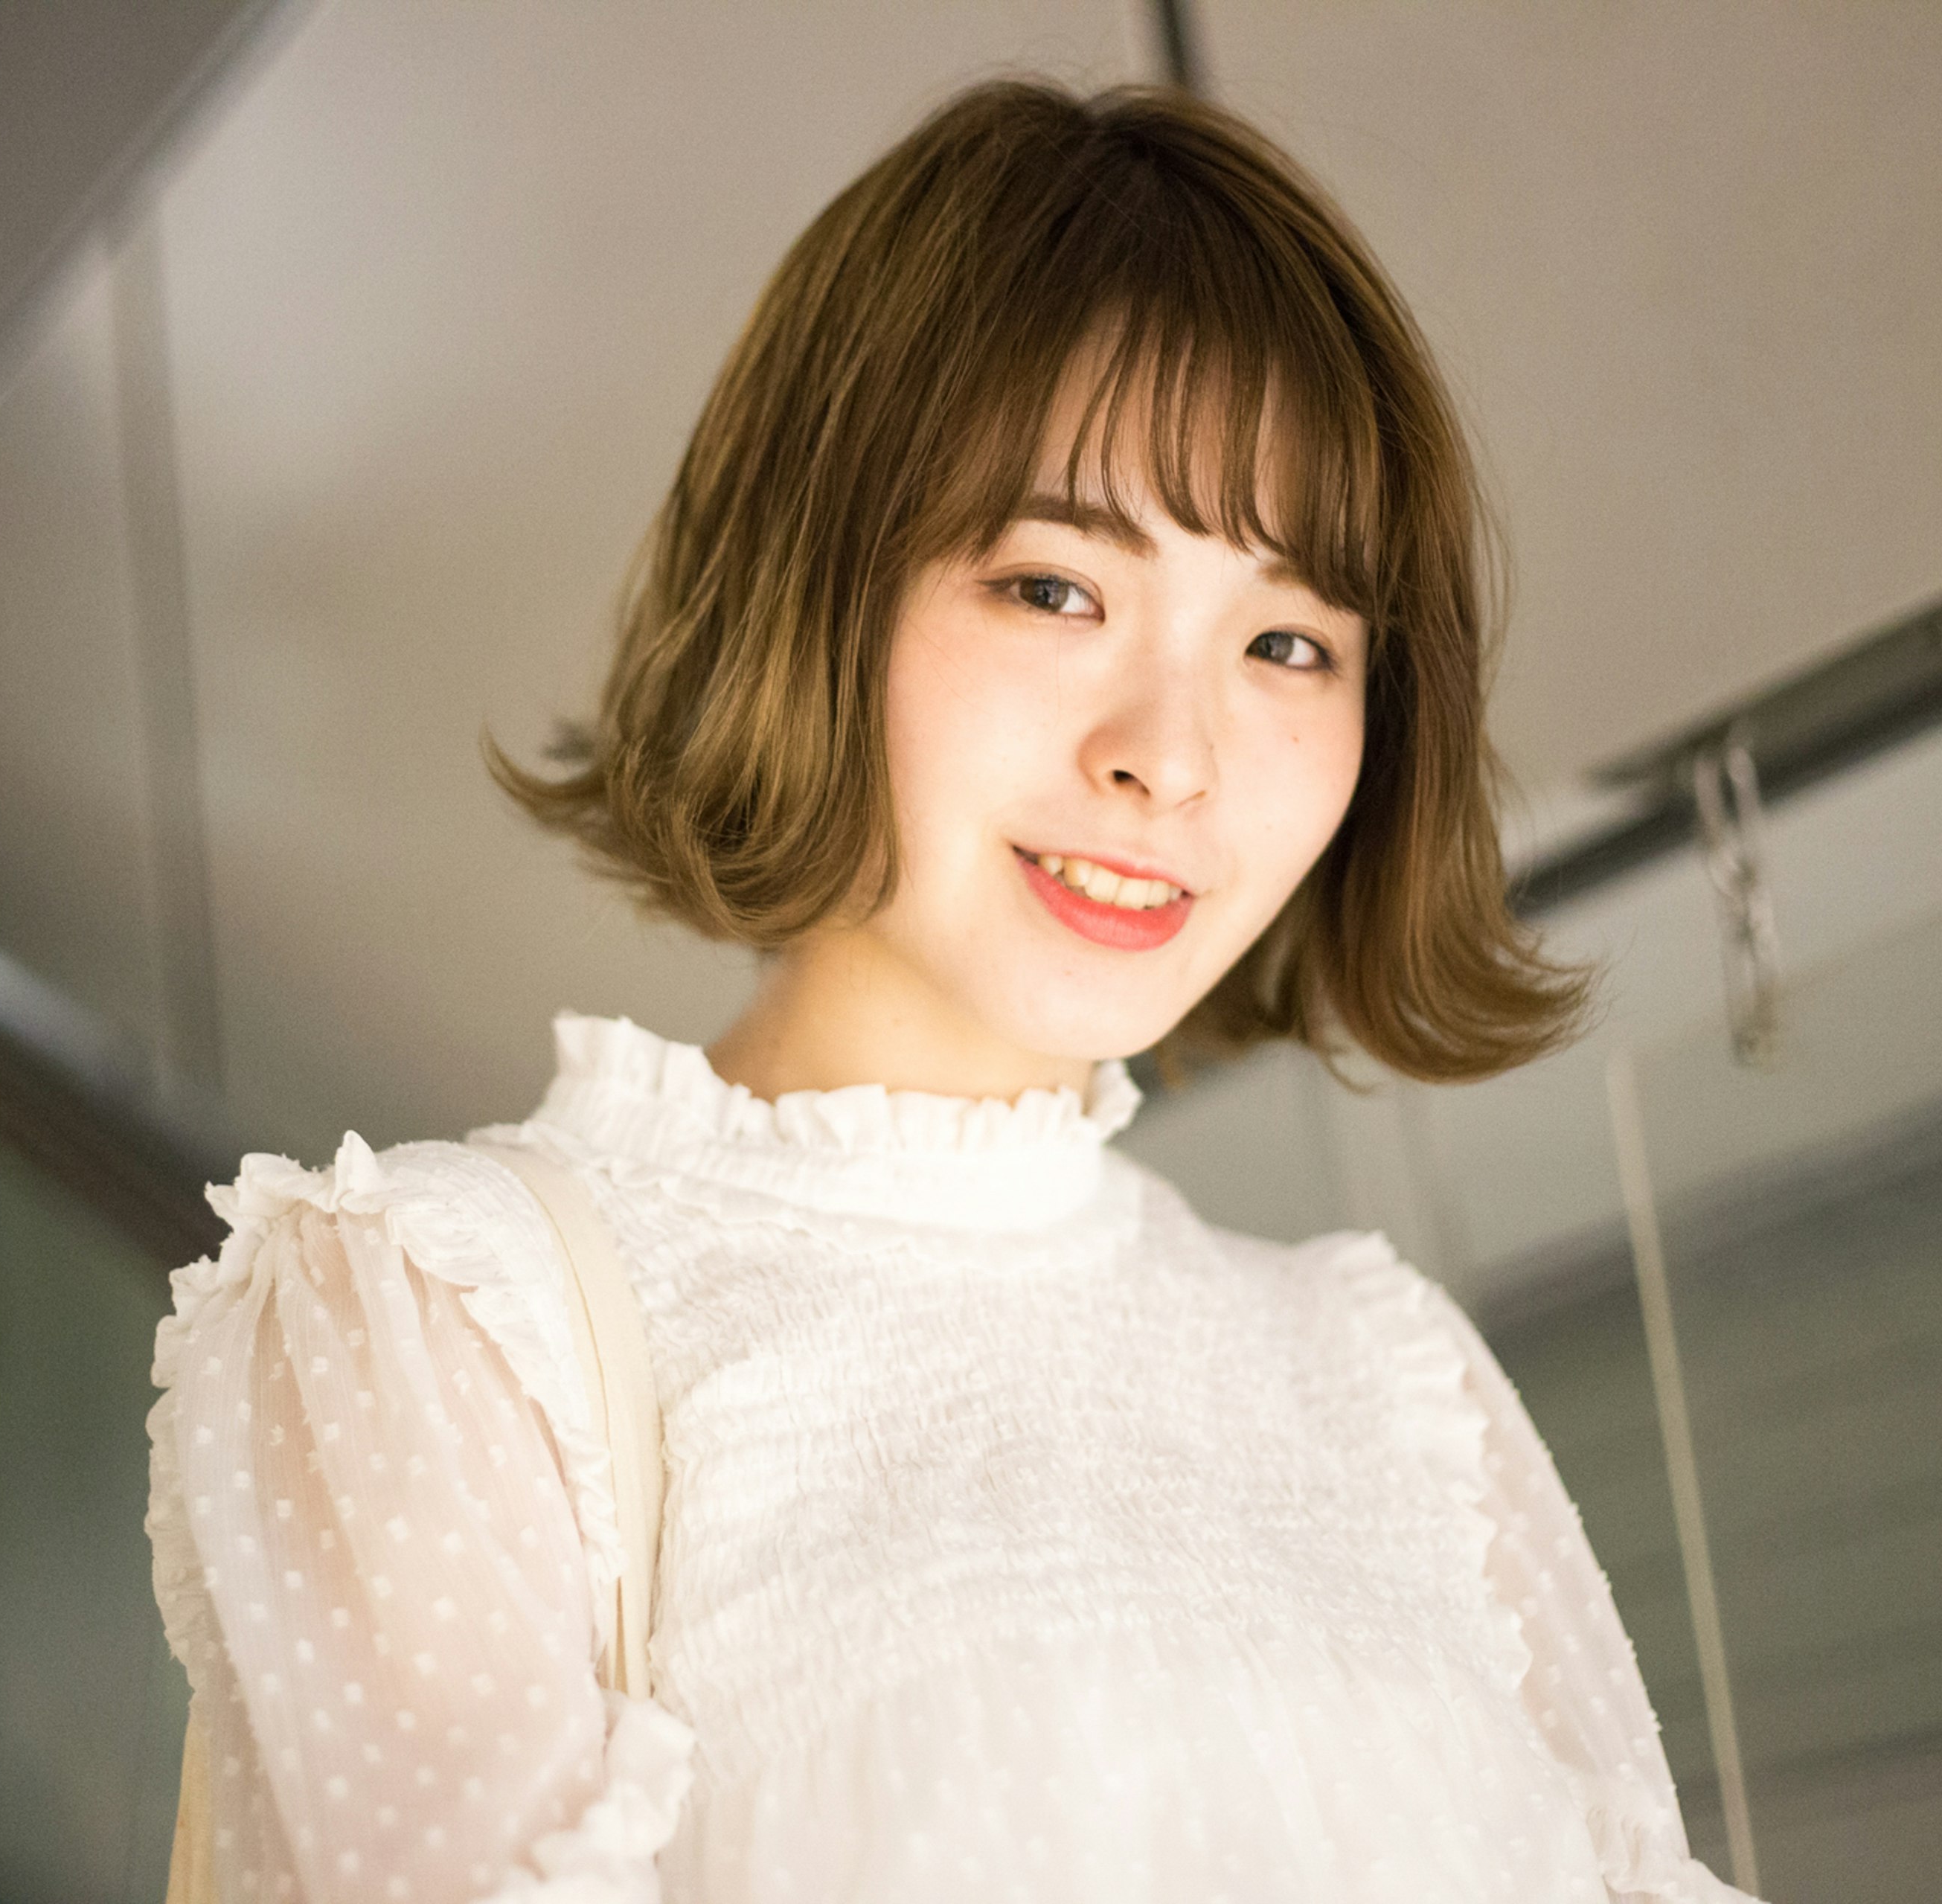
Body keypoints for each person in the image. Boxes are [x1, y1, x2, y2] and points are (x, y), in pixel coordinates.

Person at [147, 76, 1763, 1904]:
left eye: (1289, 641)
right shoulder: (443, 1320)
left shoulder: (1391, 1376)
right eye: (1057, 589)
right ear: (812, 580)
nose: (1176, 754)